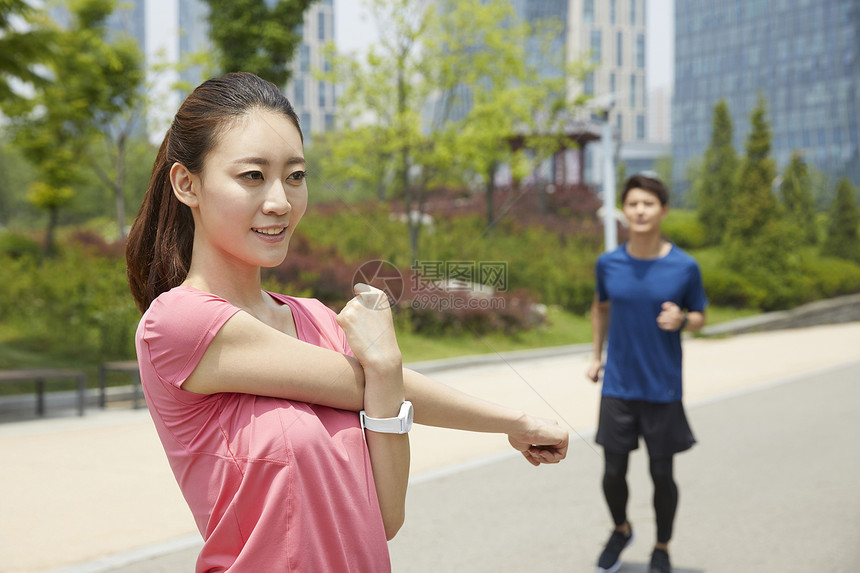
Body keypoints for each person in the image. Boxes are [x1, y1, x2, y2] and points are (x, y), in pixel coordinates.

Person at [125, 72, 568, 573]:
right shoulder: (179, 323)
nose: (280, 201)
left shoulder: (315, 319)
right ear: (188, 184)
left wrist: (512, 421)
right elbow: (362, 379)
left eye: (295, 176)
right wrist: (386, 366)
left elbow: (385, 518)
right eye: (253, 175)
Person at [585, 174, 707, 573]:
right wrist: (596, 356)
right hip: (619, 383)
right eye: (633, 203)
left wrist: (684, 319)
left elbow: (701, 317)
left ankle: (662, 547)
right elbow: (600, 308)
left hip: (662, 386)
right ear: (624, 210)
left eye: (648, 204)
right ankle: (621, 529)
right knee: (612, 472)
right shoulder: (609, 263)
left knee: (661, 473)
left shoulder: (685, 266)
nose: (639, 210)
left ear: (663, 211)